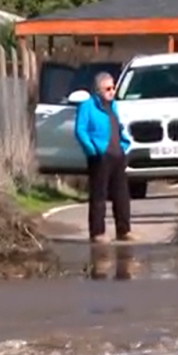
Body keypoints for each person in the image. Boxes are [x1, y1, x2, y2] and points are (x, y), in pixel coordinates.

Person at [74, 72, 137, 244]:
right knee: (99, 195)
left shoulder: (113, 105)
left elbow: (118, 127)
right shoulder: (87, 106)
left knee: (121, 195)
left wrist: (124, 145)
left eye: (113, 87)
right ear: (98, 90)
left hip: (117, 155)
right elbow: (80, 130)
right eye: (108, 88)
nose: (112, 91)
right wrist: (92, 150)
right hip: (100, 156)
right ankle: (97, 232)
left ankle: (123, 230)